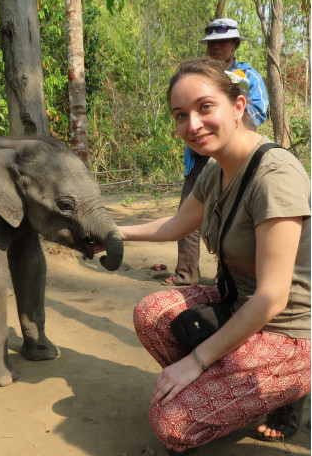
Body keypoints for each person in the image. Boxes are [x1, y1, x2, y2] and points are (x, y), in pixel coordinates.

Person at [115, 58, 310, 453]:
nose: (193, 124)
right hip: (238, 306)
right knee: (151, 314)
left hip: (291, 331)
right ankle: (230, 389)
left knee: (171, 424)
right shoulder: (215, 169)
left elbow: (272, 298)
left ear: (238, 107)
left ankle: (288, 390)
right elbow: (175, 225)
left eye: (205, 107)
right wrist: (114, 233)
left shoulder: (275, 178)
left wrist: (195, 362)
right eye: (180, 115)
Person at [164, 18, 268, 286]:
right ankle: (186, 273)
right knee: (188, 215)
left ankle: (240, 278)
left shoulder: (247, 76)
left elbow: (259, 111)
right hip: (199, 160)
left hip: (238, 160)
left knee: (238, 217)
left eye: (222, 42)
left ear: (235, 45)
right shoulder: (199, 77)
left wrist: (225, 133)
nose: (216, 48)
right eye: (212, 43)